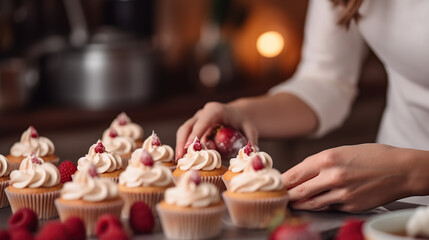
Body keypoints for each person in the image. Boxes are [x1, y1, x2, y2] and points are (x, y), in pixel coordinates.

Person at [175, 0, 429, 212]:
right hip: (394, 205)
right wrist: (240, 112)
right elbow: (326, 80)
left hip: (396, 179)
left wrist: (412, 171)